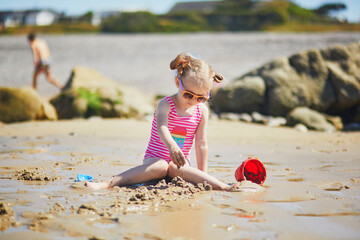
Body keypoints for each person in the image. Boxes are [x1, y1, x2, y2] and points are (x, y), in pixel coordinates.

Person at [85, 52, 239, 191]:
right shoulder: (166, 104)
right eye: (188, 95)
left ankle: (222, 186)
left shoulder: (201, 111)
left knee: (173, 167)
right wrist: (172, 146)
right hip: (155, 159)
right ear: (178, 83)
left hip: (179, 163)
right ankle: (108, 183)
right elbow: (162, 127)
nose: (194, 101)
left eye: (201, 98)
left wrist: (202, 175)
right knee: (161, 167)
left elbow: (201, 144)